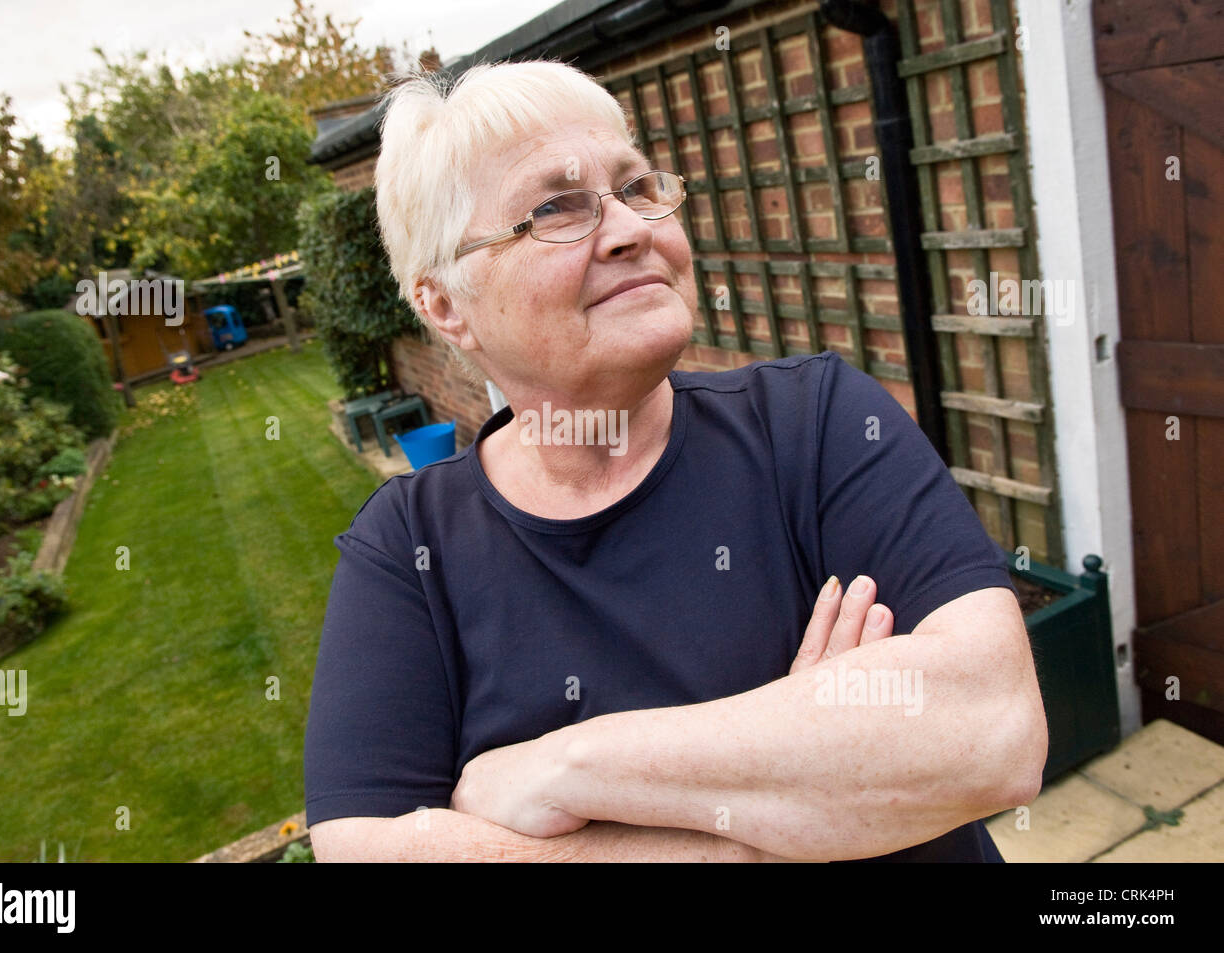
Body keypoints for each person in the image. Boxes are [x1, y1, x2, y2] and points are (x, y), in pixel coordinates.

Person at [304, 59, 1047, 862]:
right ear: (445, 303)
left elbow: (991, 729)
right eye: (557, 208)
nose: (631, 229)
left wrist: (566, 768)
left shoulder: (814, 424)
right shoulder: (409, 552)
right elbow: (363, 845)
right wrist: (790, 785)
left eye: (636, 187)